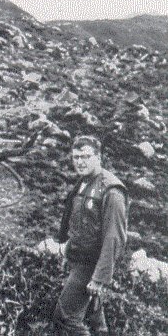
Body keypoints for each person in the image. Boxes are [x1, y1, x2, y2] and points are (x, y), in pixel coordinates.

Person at [52, 135, 129, 335]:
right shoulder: (84, 183)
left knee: (65, 317)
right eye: (76, 157)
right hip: (79, 258)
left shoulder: (111, 190)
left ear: (98, 157)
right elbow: (78, 223)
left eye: (86, 156)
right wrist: (67, 249)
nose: (80, 162)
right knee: (95, 319)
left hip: (91, 263)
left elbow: (114, 237)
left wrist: (99, 278)